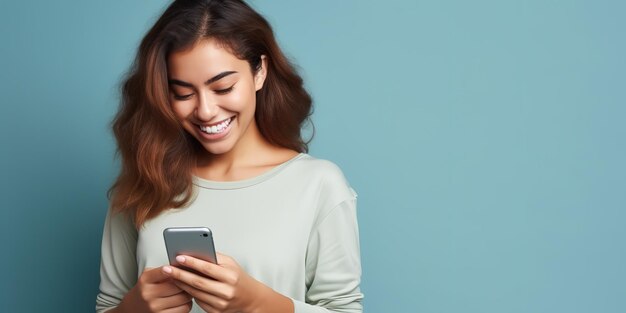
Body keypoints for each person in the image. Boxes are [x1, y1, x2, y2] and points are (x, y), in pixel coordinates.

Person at [95, 0, 363, 312]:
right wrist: (134, 308)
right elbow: (108, 306)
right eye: (182, 93)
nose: (205, 111)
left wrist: (259, 303)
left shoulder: (318, 185)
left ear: (259, 71)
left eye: (223, 87)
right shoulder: (144, 181)